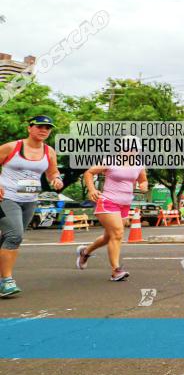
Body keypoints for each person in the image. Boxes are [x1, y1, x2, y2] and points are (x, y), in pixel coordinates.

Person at [0, 115, 64, 297]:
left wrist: (56, 179)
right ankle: (7, 282)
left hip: (30, 200)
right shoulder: (12, 147)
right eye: (39, 126)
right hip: (6, 198)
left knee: (6, 238)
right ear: (29, 128)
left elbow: (52, 172)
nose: (44, 130)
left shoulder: (49, 151)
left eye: (48, 128)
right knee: (14, 236)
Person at [76, 137, 147, 281]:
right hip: (108, 201)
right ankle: (116, 271)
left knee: (109, 236)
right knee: (118, 233)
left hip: (125, 204)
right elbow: (89, 173)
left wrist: (143, 185)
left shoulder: (139, 165)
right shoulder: (110, 161)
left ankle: (85, 252)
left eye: (134, 148)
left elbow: (143, 180)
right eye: (127, 148)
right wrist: (92, 190)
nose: (130, 151)